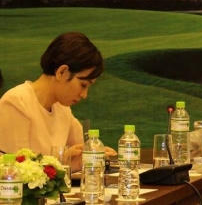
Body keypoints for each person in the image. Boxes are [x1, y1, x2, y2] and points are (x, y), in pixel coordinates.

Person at [0, 32, 115, 169]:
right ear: (62, 72)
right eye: (83, 85)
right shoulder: (16, 103)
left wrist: (96, 154)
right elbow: (16, 171)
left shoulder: (62, 108)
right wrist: (61, 160)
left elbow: (83, 150)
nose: (84, 95)